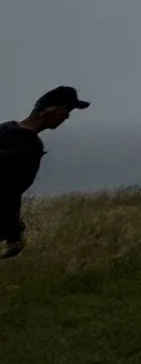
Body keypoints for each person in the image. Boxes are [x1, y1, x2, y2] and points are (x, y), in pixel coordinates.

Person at [1, 86, 89, 258]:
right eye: (66, 110)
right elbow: (11, 191)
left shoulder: (4, 129)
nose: (66, 117)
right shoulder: (31, 147)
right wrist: (14, 234)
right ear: (51, 110)